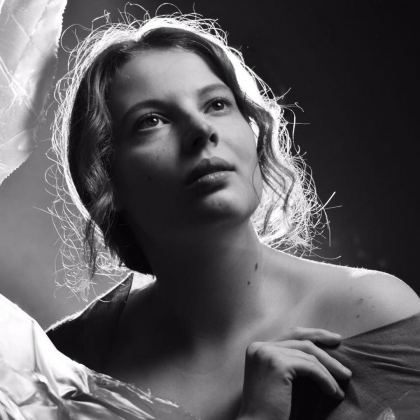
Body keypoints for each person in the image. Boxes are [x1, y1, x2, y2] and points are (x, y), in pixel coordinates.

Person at [45, 11, 420, 420]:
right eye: (151, 121)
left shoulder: (374, 315)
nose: (200, 129)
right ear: (105, 178)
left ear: (252, 131)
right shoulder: (64, 363)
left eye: (217, 104)